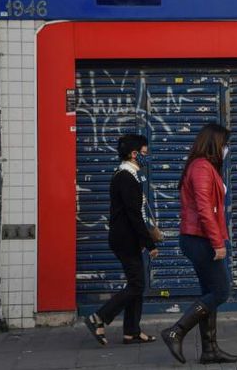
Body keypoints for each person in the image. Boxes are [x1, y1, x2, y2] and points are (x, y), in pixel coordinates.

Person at [161, 123, 237, 364]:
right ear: (215, 144)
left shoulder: (204, 167)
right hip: (202, 240)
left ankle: (210, 350)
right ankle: (176, 331)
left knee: (210, 293)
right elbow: (205, 209)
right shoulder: (202, 168)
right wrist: (218, 243)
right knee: (221, 291)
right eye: (225, 144)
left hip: (201, 238)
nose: (226, 149)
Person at [84, 134, 159, 345]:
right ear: (133, 154)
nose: (147, 157)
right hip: (125, 239)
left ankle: (131, 332)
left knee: (136, 284)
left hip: (127, 238)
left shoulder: (128, 175)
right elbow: (133, 215)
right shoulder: (125, 177)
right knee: (136, 285)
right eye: (144, 153)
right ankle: (99, 317)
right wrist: (149, 243)